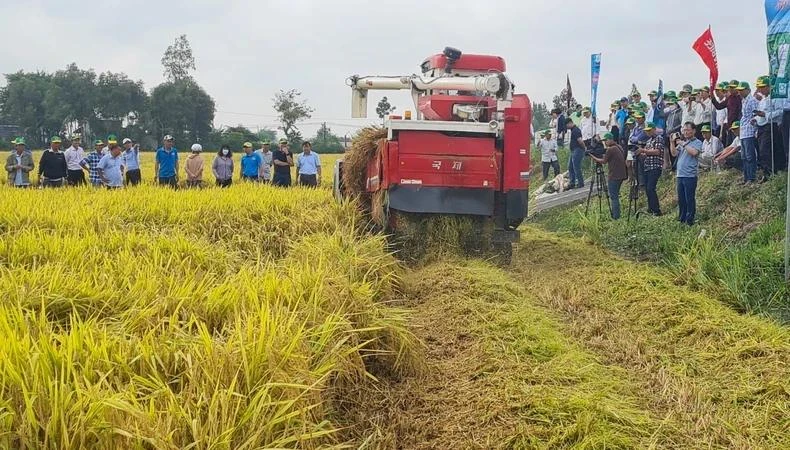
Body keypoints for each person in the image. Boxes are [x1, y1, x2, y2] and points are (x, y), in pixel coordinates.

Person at [753, 75, 786, 179]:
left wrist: (766, 115)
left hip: (771, 126)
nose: (761, 89)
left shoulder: (775, 98)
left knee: (767, 150)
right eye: (759, 87)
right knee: (762, 151)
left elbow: (781, 112)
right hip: (762, 127)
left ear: (769, 86)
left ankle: (772, 172)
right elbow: (760, 114)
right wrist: (756, 119)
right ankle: (767, 172)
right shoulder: (762, 100)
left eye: (763, 87)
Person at [670, 122, 702, 225]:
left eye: (687, 130)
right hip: (680, 174)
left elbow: (694, 152)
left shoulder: (697, 142)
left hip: (690, 175)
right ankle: (682, 218)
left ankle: (690, 219)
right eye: (684, 130)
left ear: (693, 130)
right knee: (681, 199)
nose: (685, 132)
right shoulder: (683, 143)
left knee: (689, 198)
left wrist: (683, 144)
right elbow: (674, 153)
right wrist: (672, 142)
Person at [589, 132, 627, 220]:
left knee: (613, 197)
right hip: (622, 175)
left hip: (614, 176)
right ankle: (616, 214)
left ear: (610, 139)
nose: (605, 143)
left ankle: (616, 217)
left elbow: (603, 161)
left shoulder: (611, 149)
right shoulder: (618, 147)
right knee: (615, 195)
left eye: (606, 140)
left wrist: (592, 157)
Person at [634, 122, 663, 216]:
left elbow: (657, 152)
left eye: (649, 130)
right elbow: (646, 153)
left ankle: (656, 210)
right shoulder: (649, 141)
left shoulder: (659, 138)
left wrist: (643, 151)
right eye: (646, 131)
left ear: (654, 129)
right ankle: (651, 208)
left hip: (655, 166)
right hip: (647, 166)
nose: (648, 133)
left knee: (651, 188)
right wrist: (640, 153)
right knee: (647, 188)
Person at [736, 81, 759, 184]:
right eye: (739, 90)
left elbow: (756, 115)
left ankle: (751, 178)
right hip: (743, 130)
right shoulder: (743, 100)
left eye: (742, 90)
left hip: (749, 130)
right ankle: (746, 178)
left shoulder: (752, 100)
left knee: (750, 156)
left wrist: (755, 128)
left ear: (748, 90)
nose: (740, 92)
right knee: (744, 156)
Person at [711, 80, 742, 146]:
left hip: (737, 126)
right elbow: (719, 106)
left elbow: (740, 113)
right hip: (729, 127)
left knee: (737, 146)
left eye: (733, 87)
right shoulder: (729, 98)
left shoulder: (741, 98)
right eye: (730, 87)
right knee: (729, 145)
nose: (730, 89)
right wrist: (713, 97)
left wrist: (738, 125)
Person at [565, 120, 587, 189]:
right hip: (573, 150)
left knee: (576, 167)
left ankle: (580, 182)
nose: (566, 127)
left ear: (570, 123)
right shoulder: (572, 130)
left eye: (566, 125)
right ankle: (572, 182)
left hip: (578, 149)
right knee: (570, 166)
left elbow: (580, 140)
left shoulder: (576, 130)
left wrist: (584, 148)